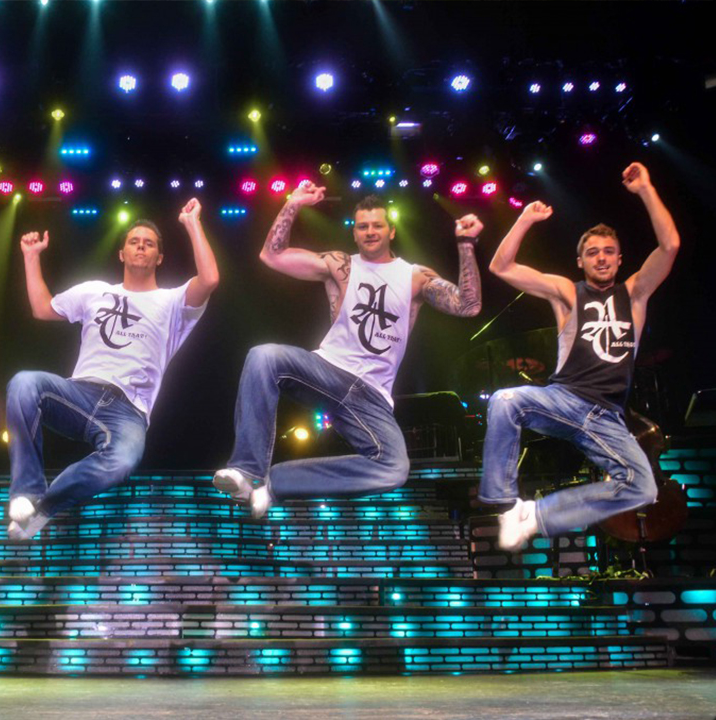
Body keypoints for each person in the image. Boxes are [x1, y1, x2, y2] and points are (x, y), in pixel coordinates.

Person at [213, 185, 483, 517]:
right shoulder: (340, 265)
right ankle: (246, 471)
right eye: (362, 226)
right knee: (263, 355)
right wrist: (293, 203)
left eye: (377, 225)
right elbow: (272, 255)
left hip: (371, 395)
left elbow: (467, 306)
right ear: (354, 233)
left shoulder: (414, 277)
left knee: (394, 468)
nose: (370, 232)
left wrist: (466, 244)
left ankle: (274, 483)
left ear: (391, 230)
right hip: (328, 371)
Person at [479, 162, 679, 550]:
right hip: (564, 400)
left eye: (608, 252)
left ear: (620, 259)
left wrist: (646, 189)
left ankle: (535, 517)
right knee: (505, 401)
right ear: (580, 261)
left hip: (607, 416)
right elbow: (500, 266)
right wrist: (523, 219)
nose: (601, 258)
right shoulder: (567, 293)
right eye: (592, 253)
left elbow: (669, 246)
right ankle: (505, 505)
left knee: (642, 486)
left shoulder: (634, 294)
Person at [5, 198, 219, 540]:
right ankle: (26, 490)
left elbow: (209, 279)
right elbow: (42, 309)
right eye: (134, 241)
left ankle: (43, 509)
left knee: (122, 461)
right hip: (80, 393)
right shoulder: (94, 291)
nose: (140, 247)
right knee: (24, 383)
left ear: (158, 258)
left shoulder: (172, 302)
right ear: (121, 253)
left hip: (128, 411)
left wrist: (192, 222)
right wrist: (31, 258)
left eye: (148, 244)